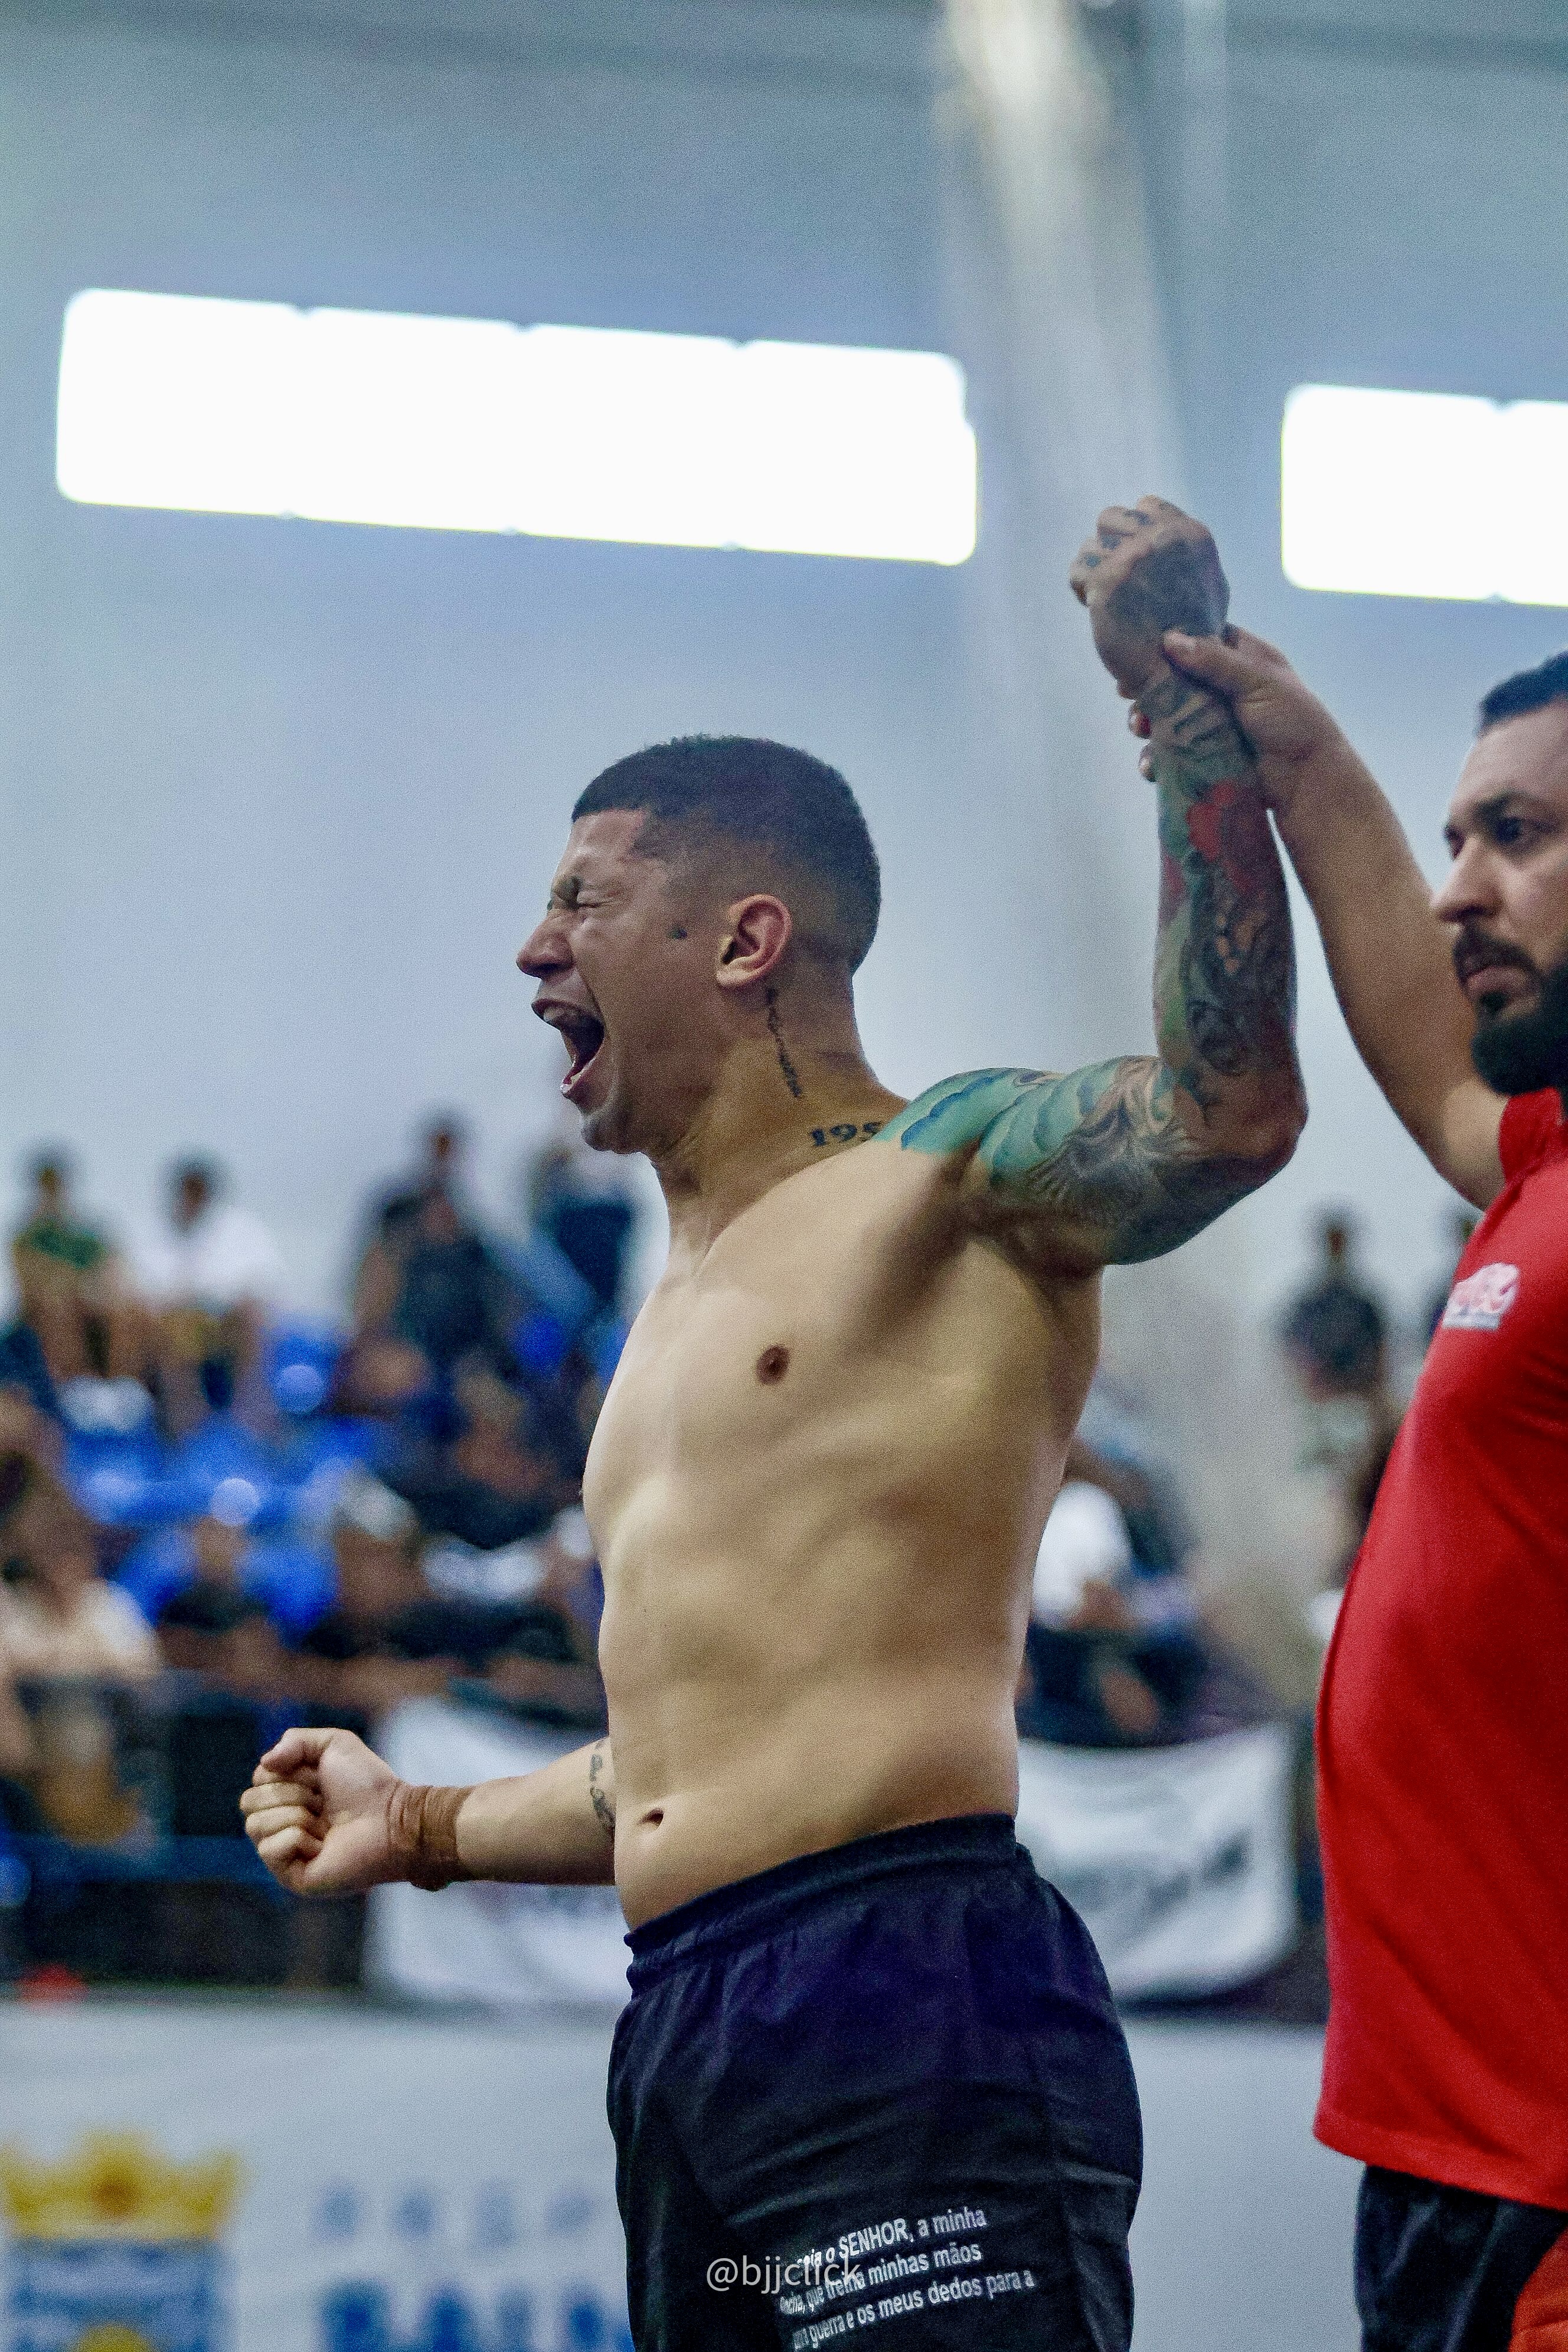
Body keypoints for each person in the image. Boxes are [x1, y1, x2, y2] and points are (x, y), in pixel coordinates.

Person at [243, 500, 1305, 2352]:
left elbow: (1224, 1112)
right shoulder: (660, 1327)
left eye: (582, 900)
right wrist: (419, 1819)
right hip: (691, 2030)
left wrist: (1183, 711)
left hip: (914, 1993)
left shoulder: (948, 1171)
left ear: (745, 938)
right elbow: (682, 1777)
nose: (531, 947)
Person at [1125, 564, 1568, 2350]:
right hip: (1463, 2158)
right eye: (1456, 837)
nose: (1458, 887)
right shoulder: (1544, 1168)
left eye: (1518, 836)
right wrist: (1293, 760)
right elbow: (1439, 1070)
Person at [135, 1158, 286, 1429]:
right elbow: (147, 1292)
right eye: (187, 1193)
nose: (191, 1200)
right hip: (177, 1324)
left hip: (225, 1323)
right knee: (176, 1328)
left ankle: (256, 1417)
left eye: (198, 1193)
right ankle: (184, 1422)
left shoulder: (243, 1232)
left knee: (251, 1317)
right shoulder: (155, 1235)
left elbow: (262, 1286)